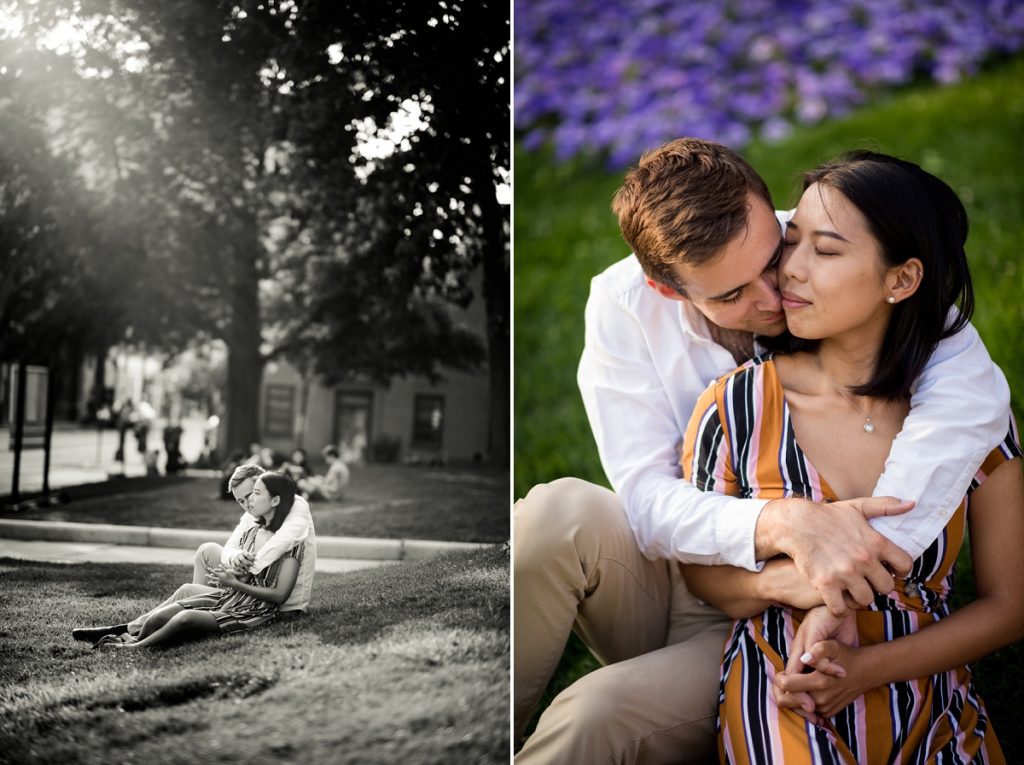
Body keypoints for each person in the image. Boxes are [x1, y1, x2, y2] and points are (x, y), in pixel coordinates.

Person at [513, 138, 1011, 762]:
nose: (776, 297)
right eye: (731, 295)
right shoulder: (627, 307)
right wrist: (786, 525)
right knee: (553, 511)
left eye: (773, 257)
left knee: (594, 713)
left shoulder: (834, 254)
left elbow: (974, 396)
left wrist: (855, 569)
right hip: (678, 577)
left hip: (778, 620)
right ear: (670, 290)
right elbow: (644, 500)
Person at [678, 151, 1022, 762]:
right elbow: (705, 576)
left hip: (926, 692)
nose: (791, 271)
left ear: (901, 280)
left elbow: (1009, 605)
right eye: (791, 242)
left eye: (827, 251)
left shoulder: (968, 421)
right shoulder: (737, 406)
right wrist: (809, 585)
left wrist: (870, 668)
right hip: (784, 683)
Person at [71, 464, 316, 644]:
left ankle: (176, 624)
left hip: (274, 606)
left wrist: (244, 570)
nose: (247, 504)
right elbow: (232, 546)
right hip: (242, 593)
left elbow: (279, 557)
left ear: (265, 488)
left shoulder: (294, 512)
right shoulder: (256, 519)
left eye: (251, 495)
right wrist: (235, 563)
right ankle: (135, 628)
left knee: (190, 601)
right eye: (241, 501)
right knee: (202, 559)